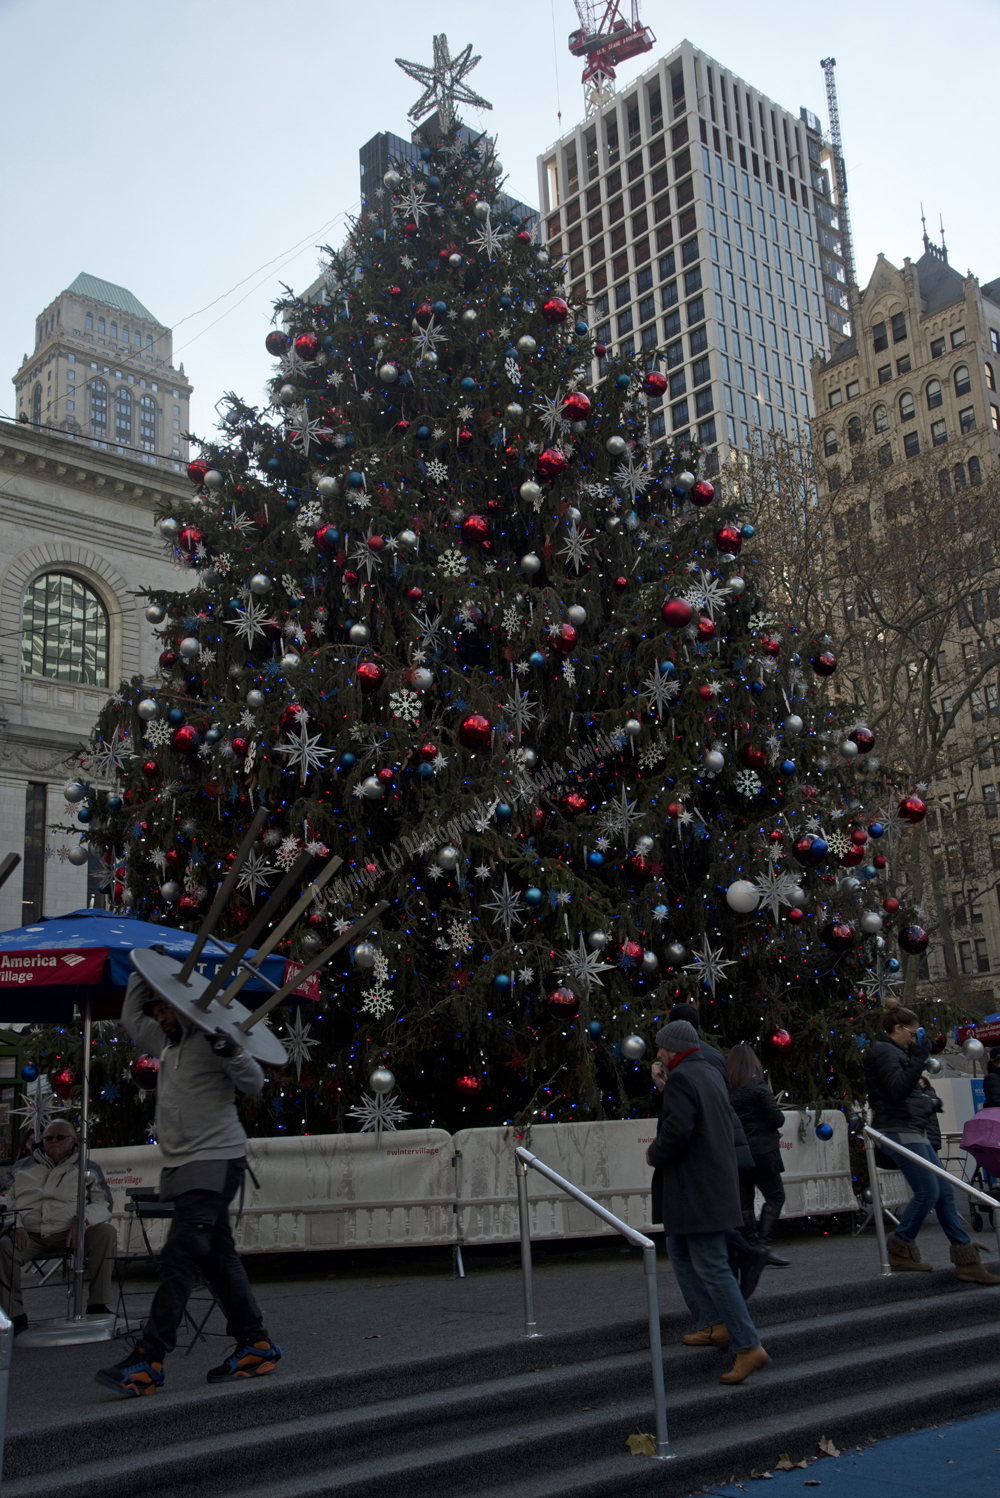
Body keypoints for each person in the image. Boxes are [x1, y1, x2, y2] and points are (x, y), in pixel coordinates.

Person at [96, 972, 281, 1397]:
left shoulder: (211, 1039)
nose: (161, 1017)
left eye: (167, 1009)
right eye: (158, 1010)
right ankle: (256, 1344)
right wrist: (142, 972)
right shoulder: (165, 1042)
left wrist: (234, 1053)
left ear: (183, 1009)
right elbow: (131, 1018)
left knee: (178, 1258)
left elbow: (254, 1081)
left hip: (214, 1163)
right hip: (184, 1166)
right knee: (218, 1260)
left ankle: (149, 1357)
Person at [647, 1019, 769, 1385]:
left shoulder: (683, 1078)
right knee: (680, 1248)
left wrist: (654, 1152)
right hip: (713, 1184)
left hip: (695, 1189)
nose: (657, 1053)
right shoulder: (710, 1072)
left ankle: (748, 1345)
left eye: (661, 1047)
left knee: (713, 1266)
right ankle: (714, 1323)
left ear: (673, 1049)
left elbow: (678, 1130)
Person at [863, 997, 1000, 1283]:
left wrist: (927, 1102)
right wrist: (919, 1057)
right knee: (928, 1191)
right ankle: (901, 1247)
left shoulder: (893, 1052)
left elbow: (904, 1091)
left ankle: (965, 1258)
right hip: (898, 1128)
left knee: (945, 1191)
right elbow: (897, 1089)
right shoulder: (884, 1052)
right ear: (898, 1028)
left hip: (911, 1127)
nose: (915, 1039)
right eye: (913, 1033)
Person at [655, 1004, 767, 1300]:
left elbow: (691, 1114)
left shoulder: (690, 1064)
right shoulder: (711, 1057)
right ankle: (725, 1299)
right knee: (698, 1236)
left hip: (707, 1153)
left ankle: (728, 1302)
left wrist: (657, 1149)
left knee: (706, 1239)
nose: (659, 1053)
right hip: (722, 1146)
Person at [0, 1120, 116, 1334]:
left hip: (71, 1232)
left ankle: (98, 1305)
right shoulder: (21, 1167)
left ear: (72, 1141)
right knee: (4, 1246)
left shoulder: (87, 1168)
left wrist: (82, 1221)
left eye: (60, 1137)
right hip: (30, 1234)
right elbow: (4, 1198)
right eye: (49, 1138)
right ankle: (14, 1314)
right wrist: (14, 1224)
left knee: (106, 1233)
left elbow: (104, 1203)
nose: (54, 1141)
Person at [727, 1044, 789, 1268]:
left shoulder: (727, 1091)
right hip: (763, 1151)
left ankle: (751, 1246)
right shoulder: (758, 1087)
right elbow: (777, 1119)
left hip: (739, 1153)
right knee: (775, 1196)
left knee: (745, 1201)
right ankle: (763, 1245)